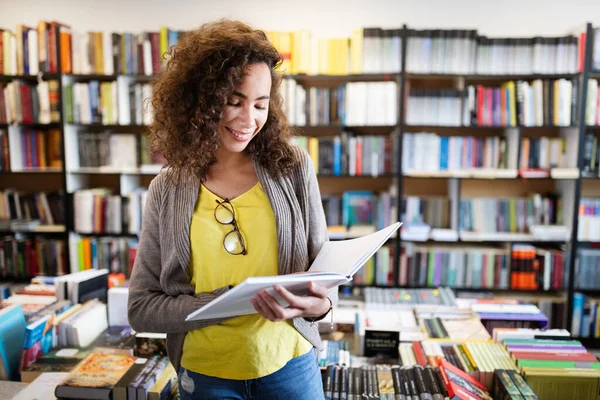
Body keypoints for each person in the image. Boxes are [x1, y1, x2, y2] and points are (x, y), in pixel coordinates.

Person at [127, 19, 337, 400]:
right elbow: (142, 309)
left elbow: (324, 278)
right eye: (233, 101)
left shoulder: (293, 167)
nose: (248, 120)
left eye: (260, 104)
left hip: (290, 364)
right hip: (206, 374)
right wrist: (228, 303)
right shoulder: (167, 189)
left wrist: (320, 306)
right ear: (200, 102)